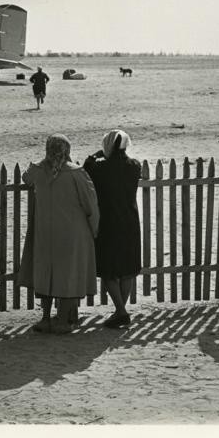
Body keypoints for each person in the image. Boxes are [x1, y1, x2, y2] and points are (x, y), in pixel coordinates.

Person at [18, 134, 100, 334]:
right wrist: (94, 229)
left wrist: (42, 162)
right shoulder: (76, 173)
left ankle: (45, 318)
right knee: (69, 274)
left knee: (46, 273)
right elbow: (91, 204)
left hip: (45, 232)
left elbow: (26, 177)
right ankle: (64, 320)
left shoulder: (39, 171)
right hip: (73, 233)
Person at [83, 129, 142, 328]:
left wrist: (96, 156)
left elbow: (86, 168)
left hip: (108, 221)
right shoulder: (134, 166)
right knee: (127, 269)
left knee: (109, 269)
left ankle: (121, 311)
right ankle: (120, 311)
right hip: (130, 220)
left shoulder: (100, 169)